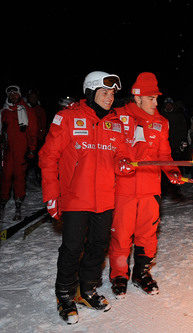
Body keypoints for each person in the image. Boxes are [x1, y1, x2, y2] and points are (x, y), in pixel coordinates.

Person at [39, 71, 132, 324]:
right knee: (72, 248)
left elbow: (121, 156)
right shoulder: (68, 118)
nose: (109, 98)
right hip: (74, 198)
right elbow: (48, 157)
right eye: (104, 93)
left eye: (112, 94)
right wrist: (52, 194)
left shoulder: (116, 124)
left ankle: (87, 289)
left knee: (97, 247)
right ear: (90, 93)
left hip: (104, 199)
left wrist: (124, 164)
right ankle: (66, 295)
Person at [109, 72, 183, 298]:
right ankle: (119, 275)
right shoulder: (118, 117)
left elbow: (165, 155)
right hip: (124, 189)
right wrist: (119, 162)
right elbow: (111, 151)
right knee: (121, 235)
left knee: (148, 235)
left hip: (151, 190)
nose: (156, 102)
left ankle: (141, 273)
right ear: (137, 98)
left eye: (156, 98)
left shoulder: (161, 123)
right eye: (151, 98)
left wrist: (172, 171)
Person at [0, 85, 38, 221]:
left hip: (21, 150)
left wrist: (32, 149)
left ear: (19, 95)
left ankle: (18, 204)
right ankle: (3, 202)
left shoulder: (26, 110)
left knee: (19, 177)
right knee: (5, 176)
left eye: (15, 94)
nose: (13, 96)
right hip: (7, 150)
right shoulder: (4, 111)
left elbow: (32, 131)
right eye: (10, 94)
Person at [160, 97, 188, 201]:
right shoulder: (160, 115)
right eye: (166, 104)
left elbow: (184, 129)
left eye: (170, 104)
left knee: (176, 168)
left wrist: (183, 141)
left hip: (176, 146)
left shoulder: (178, 115)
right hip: (163, 146)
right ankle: (163, 191)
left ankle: (175, 191)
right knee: (162, 169)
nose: (168, 105)